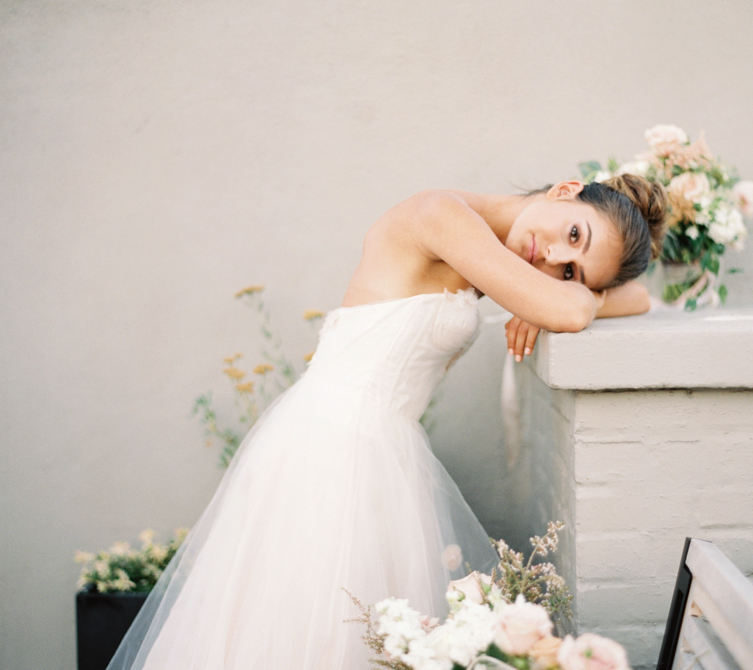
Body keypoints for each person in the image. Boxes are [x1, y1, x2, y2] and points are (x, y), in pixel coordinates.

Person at [107, 175, 667, 670]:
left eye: (570, 269)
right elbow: (570, 310)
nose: (549, 259)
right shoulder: (442, 215)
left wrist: (550, 296)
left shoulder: (500, 255)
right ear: (566, 190)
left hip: (379, 455)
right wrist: (560, 297)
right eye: (573, 235)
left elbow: (635, 298)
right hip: (331, 452)